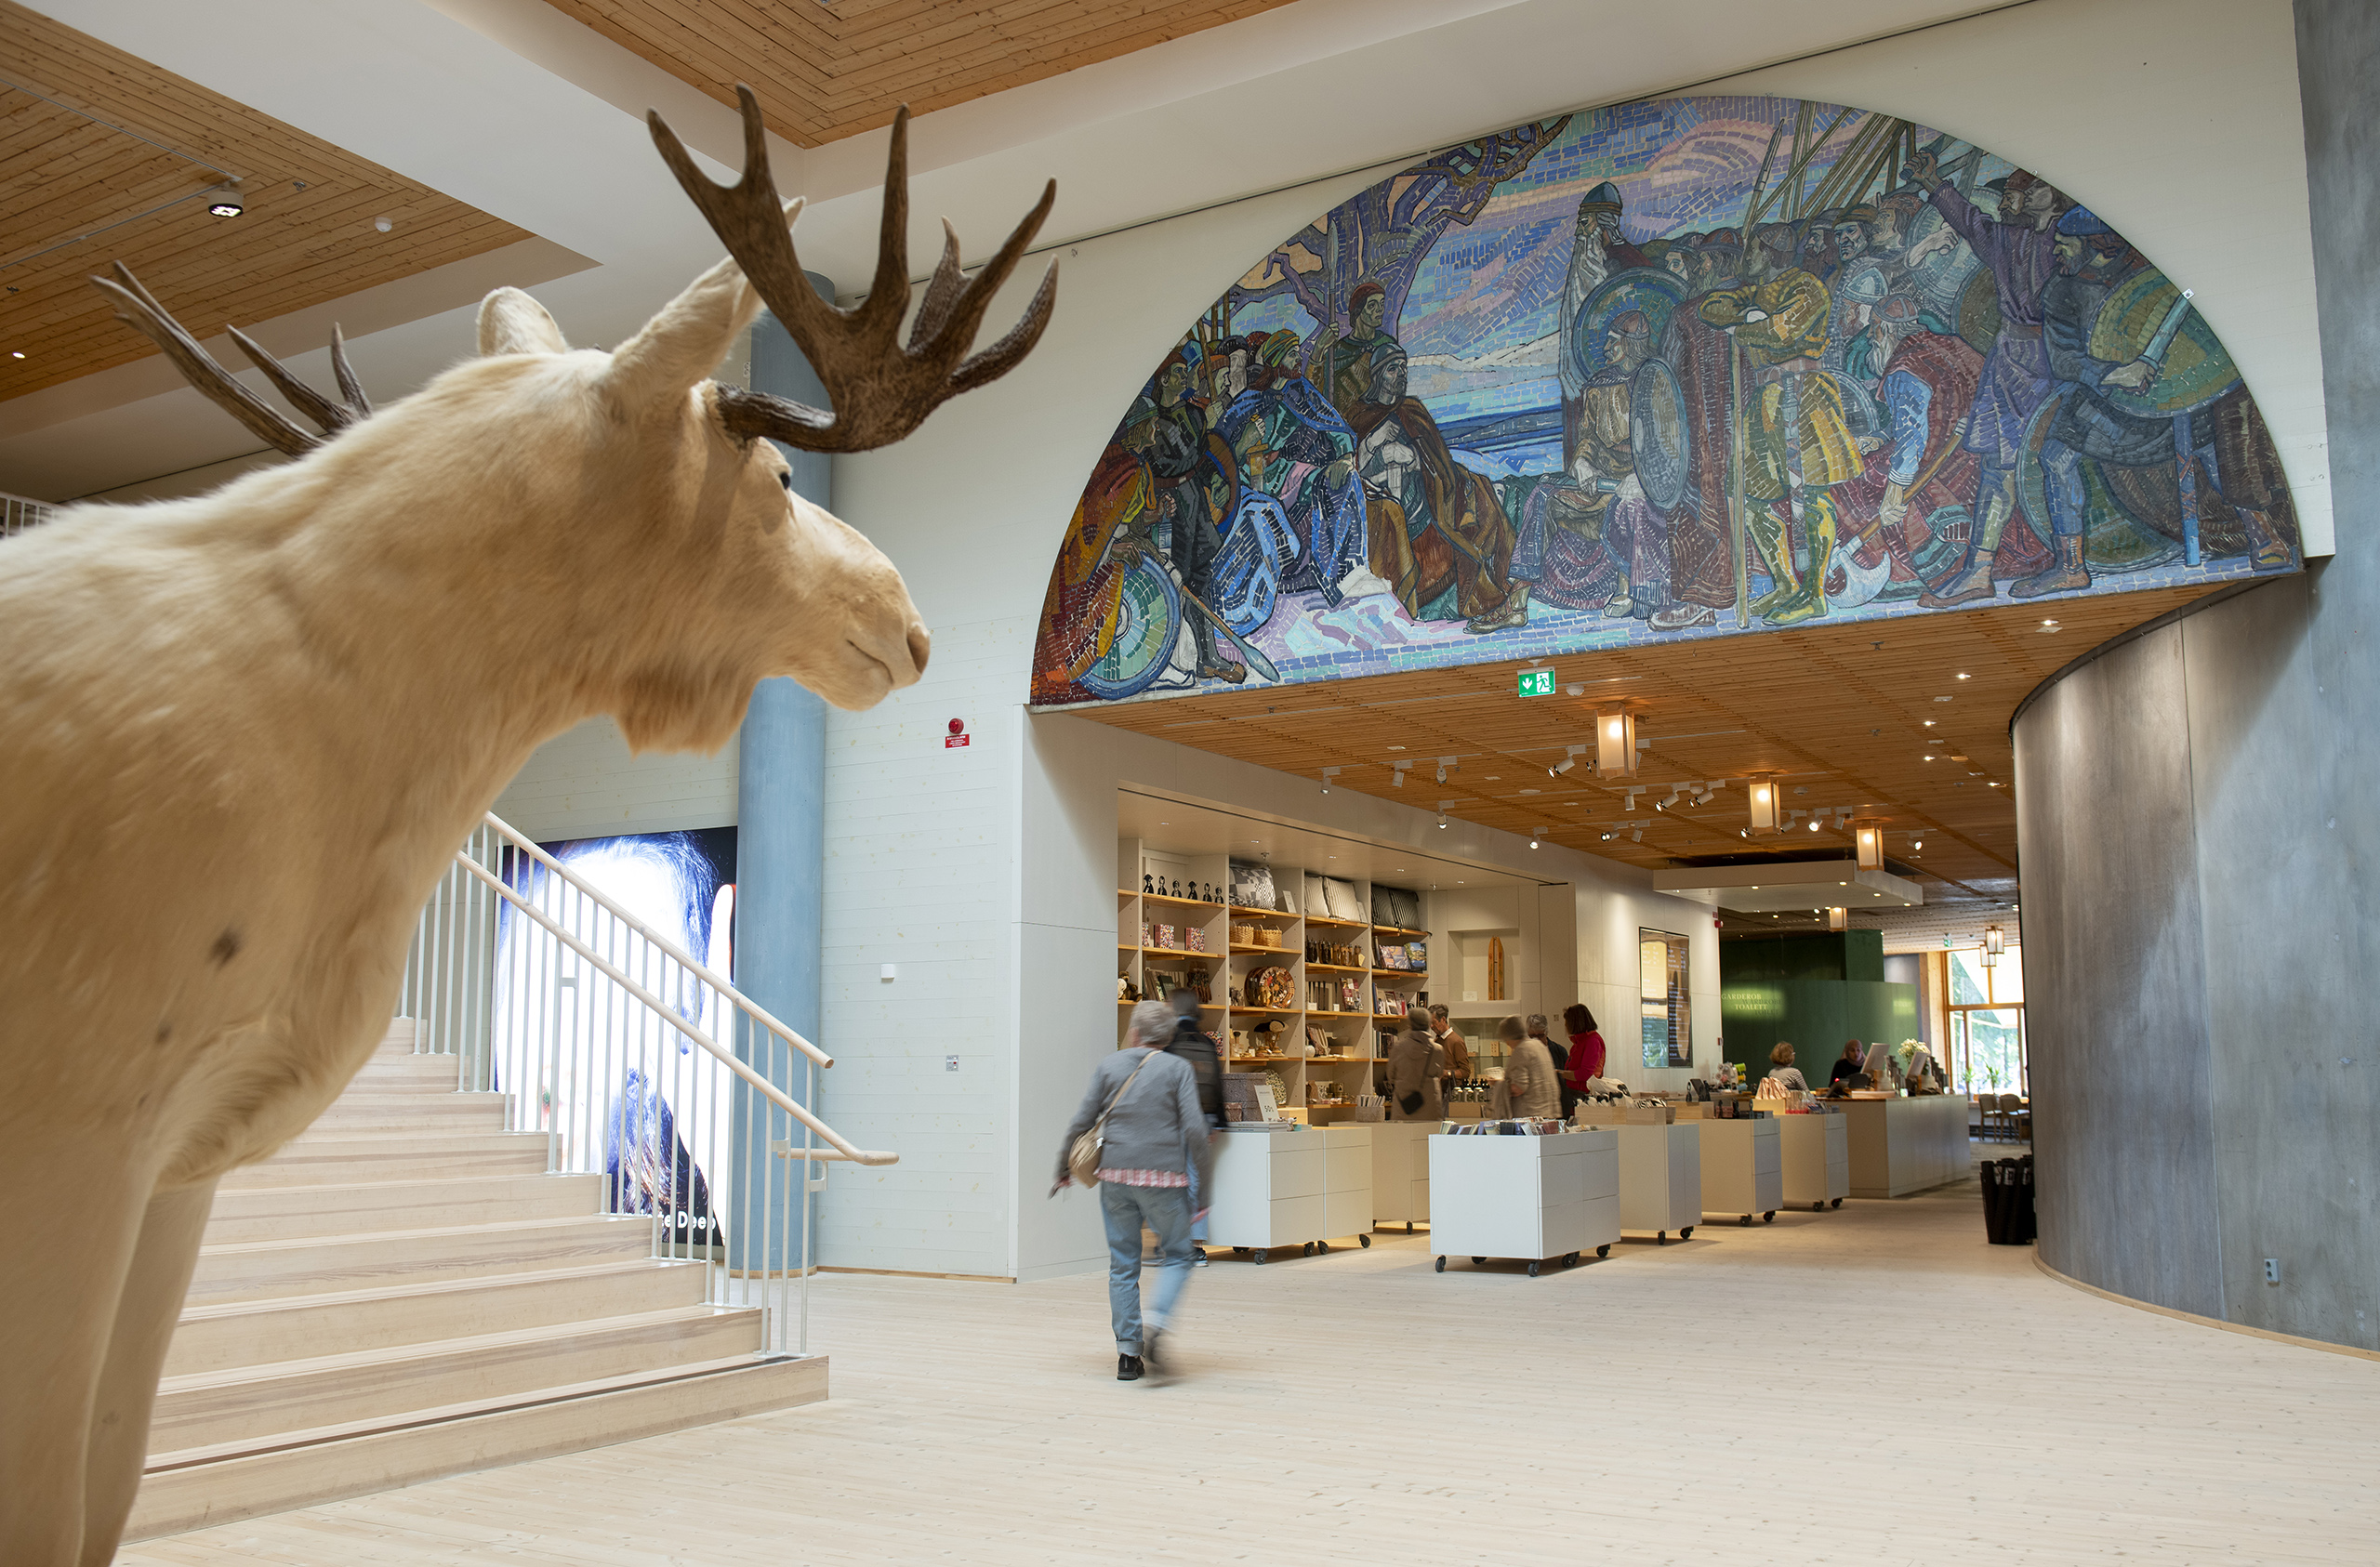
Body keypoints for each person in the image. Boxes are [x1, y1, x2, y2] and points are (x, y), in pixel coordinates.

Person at [1054, 1001, 1214, 1381]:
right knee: (1178, 1255)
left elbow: (1081, 1120)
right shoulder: (1178, 1069)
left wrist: (1063, 1166)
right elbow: (1194, 1130)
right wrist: (1203, 1192)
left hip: (1115, 1179)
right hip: (1165, 1181)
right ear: (1169, 1036)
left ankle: (1128, 1354)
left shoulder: (1109, 1065)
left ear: (1136, 1032)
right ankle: (1156, 1321)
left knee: (1123, 1263)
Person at [1165, 989, 1224, 1263]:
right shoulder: (1208, 1042)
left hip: (1174, 1118)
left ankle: (1173, 1243)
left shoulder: (1168, 1042)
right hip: (1204, 1118)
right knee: (1196, 1178)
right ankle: (1197, 1245)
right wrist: (1218, 1122)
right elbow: (1217, 1084)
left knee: (1170, 1180)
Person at [1496, 1014, 1561, 1120]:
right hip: (1549, 1113)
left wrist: (1499, 1084)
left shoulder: (1521, 1050)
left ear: (1509, 1037)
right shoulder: (1540, 1046)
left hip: (1530, 1116)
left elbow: (1519, 1087)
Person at [1385, 1010, 1445, 1121]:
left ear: (1410, 1024)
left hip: (1403, 1104)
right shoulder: (1437, 1050)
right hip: (1430, 1104)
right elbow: (1440, 1073)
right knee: (1428, 1136)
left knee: (1403, 1136)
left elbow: (1390, 1076)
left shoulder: (1398, 1048)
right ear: (1429, 1024)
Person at [1429, 1005, 1472, 1097]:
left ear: (1443, 1020)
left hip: (1450, 1095)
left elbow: (1465, 1072)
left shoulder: (1456, 1041)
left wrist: (1446, 1073)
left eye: (1434, 1022)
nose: (1431, 1026)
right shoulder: (1436, 1041)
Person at [1562, 1003, 1606, 1091]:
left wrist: (1560, 1074)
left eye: (1568, 1022)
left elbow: (1585, 1073)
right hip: (1575, 1090)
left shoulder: (1593, 1041)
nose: (1566, 1025)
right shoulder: (1580, 1041)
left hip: (1583, 1093)